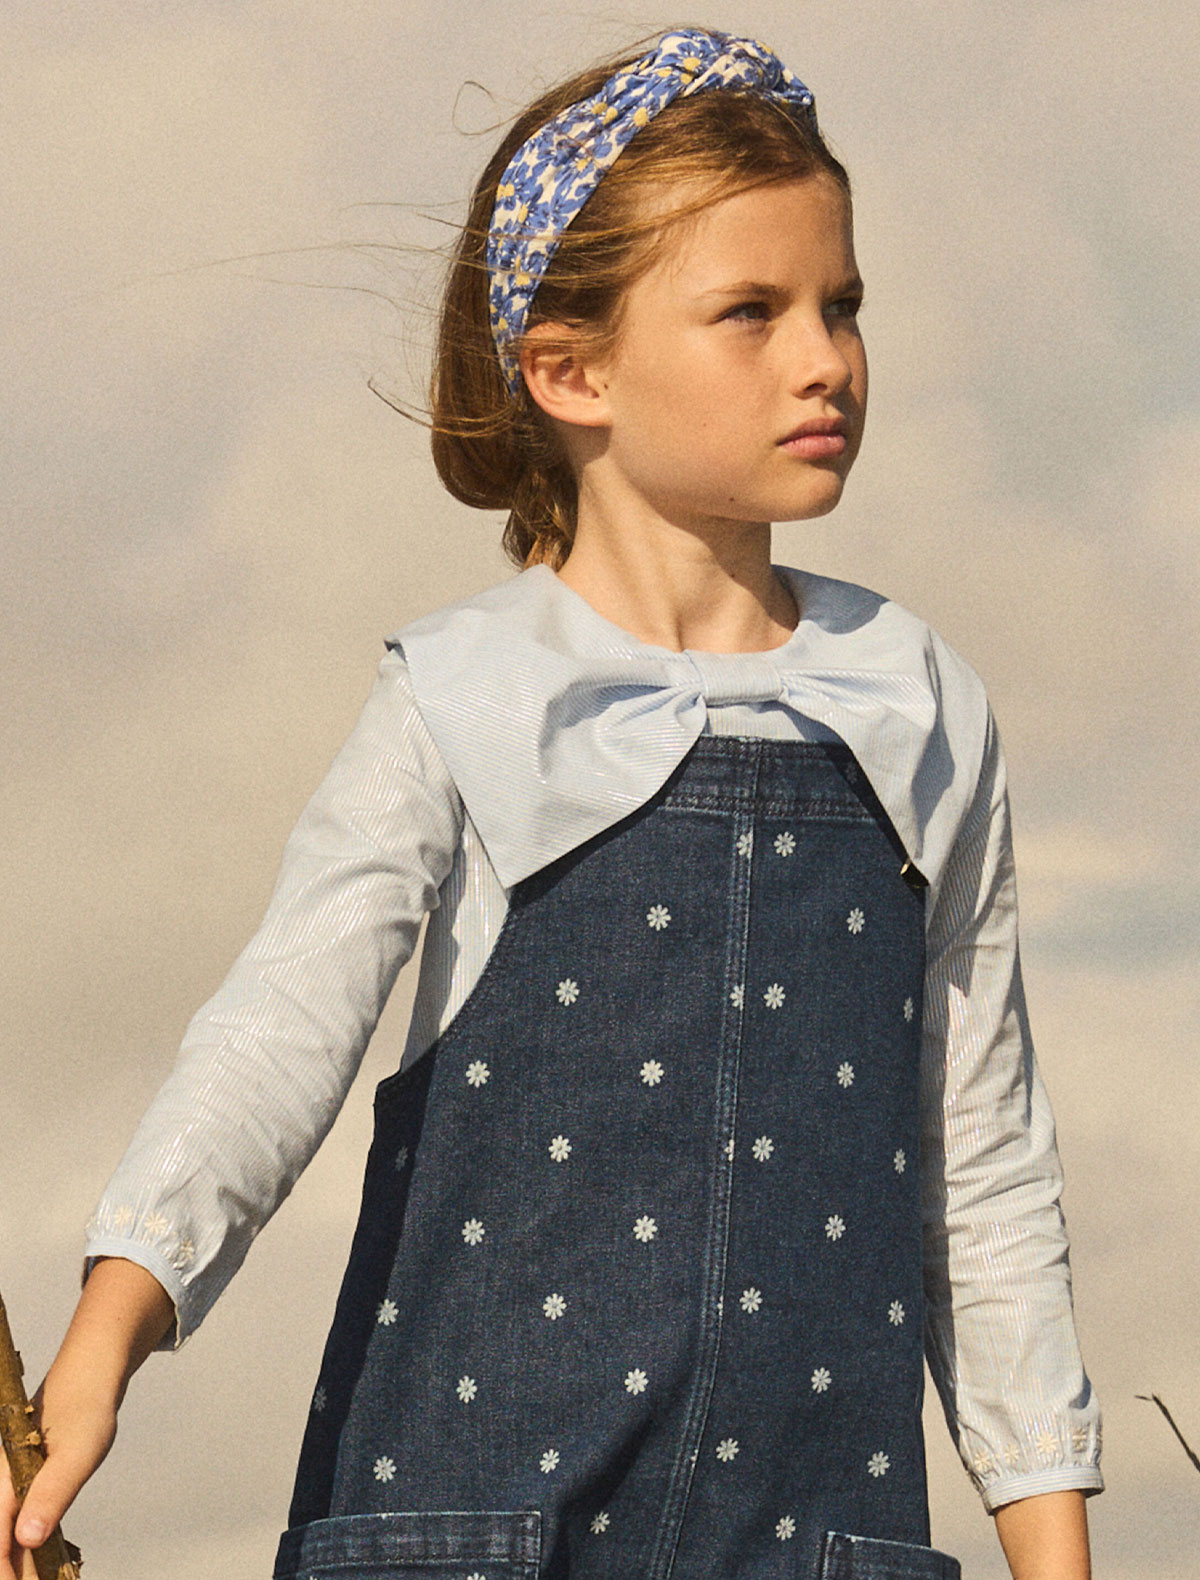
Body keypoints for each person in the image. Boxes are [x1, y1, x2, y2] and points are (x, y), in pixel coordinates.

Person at [1, 27, 1102, 1580]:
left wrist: (1055, 1548)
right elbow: (278, 1034)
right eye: (753, 311)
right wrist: (111, 1332)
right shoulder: (462, 693)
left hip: (817, 1540)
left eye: (843, 305)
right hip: (471, 1529)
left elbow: (977, 1173)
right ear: (571, 370)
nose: (826, 360)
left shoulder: (922, 705)